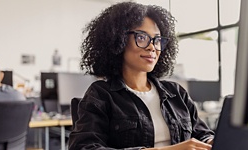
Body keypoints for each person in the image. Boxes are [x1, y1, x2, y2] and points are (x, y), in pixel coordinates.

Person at [68, 2, 214, 150]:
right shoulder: (101, 94)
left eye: (157, 40)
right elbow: (83, 147)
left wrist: (211, 141)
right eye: (142, 37)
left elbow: (202, 134)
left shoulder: (176, 93)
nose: (152, 47)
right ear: (119, 40)